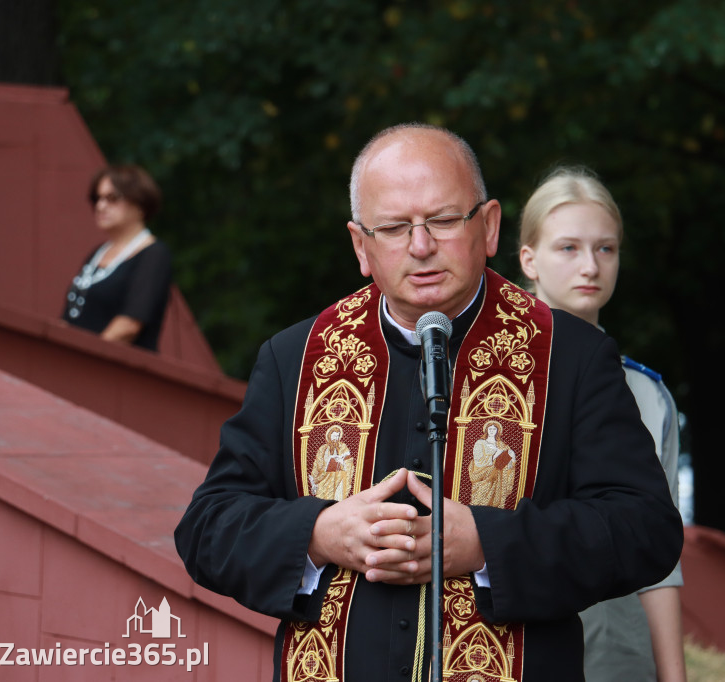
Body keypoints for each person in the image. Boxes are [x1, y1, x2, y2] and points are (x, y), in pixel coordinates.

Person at [174, 124, 683, 682]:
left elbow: (646, 529)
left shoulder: (571, 355)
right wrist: (320, 535)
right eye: (393, 227)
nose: (420, 246)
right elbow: (207, 529)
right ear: (360, 246)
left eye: (442, 220)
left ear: (488, 227)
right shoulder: (296, 356)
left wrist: (487, 545)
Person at [518, 166, 687, 682]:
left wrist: (673, 675)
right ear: (530, 259)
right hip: (508, 650)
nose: (590, 265)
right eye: (568, 248)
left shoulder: (648, 396)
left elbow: (661, 553)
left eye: (605, 248)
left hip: (616, 658)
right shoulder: (480, 382)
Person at [61, 164, 171, 350]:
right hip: (75, 366)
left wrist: (86, 357)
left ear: (140, 203)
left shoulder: (154, 255)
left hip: (114, 371)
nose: (101, 206)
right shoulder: (97, 254)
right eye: (97, 198)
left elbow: (129, 325)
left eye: (112, 198)